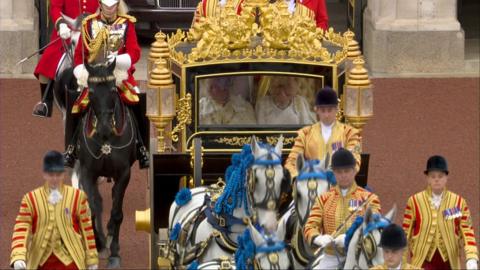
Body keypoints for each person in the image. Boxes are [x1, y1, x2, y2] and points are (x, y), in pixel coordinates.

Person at [64, 0, 149, 169]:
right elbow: (80, 55)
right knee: (75, 101)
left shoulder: (126, 24)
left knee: (138, 99)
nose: (110, 9)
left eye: (113, 6)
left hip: (119, 74)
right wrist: (82, 71)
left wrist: (118, 59)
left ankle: (141, 147)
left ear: (118, 5)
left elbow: (135, 52)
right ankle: (71, 148)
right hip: (94, 74)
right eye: (106, 5)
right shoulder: (89, 24)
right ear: (100, 5)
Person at [10, 151, 98, 270]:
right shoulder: (30, 199)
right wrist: (18, 255)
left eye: (58, 174)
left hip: (71, 262)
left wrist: (91, 258)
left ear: (63, 174)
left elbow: (87, 229)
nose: (55, 179)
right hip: (40, 262)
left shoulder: (78, 197)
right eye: (51, 175)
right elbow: (21, 227)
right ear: (44, 175)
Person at [303, 148, 381, 269]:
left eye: (347, 171)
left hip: (360, 256)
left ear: (354, 170)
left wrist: (349, 237)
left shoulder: (369, 198)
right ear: (334, 172)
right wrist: (317, 238)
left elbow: (374, 226)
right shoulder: (323, 199)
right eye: (339, 171)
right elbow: (310, 226)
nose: (343, 175)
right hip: (331, 257)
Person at [402, 155, 478, 270]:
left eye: (440, 176)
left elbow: (467, 232)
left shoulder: (458, 202)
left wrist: (471, 257)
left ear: (446, 177)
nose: (436, 179)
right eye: (433, 176)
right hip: (421, 262)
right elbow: (404, 234)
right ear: (427, 178)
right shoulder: (414, 201)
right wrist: (401, 261)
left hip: (449, 262)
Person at [32, 0, 99, 117]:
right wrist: (61, 24)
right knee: (46, 61)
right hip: (66, 33)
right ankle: (46, 102)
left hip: (93, 33)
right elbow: (55, 8)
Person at [285, 87, 361, 178]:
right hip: (311, 184)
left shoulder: (349, 133)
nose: (326, 115)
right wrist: (299, 178)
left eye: (330, 110)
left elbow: (354, 160)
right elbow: (292, 161)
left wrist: (339, 177)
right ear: (316, 110)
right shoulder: (305, 134)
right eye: (323, 110)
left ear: (336, 109)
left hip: (339, 185)